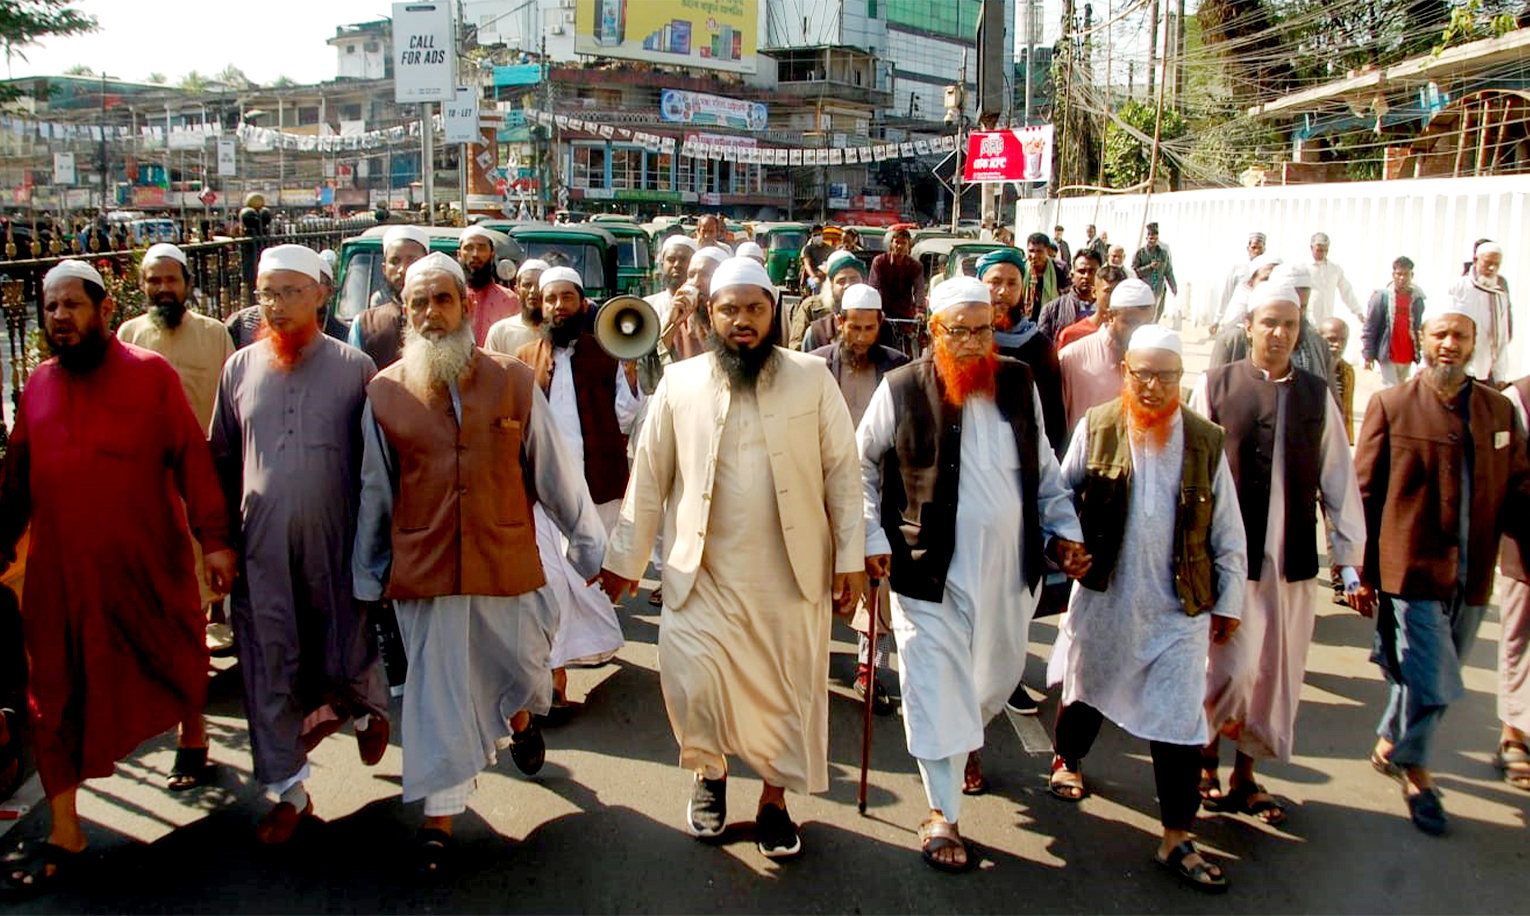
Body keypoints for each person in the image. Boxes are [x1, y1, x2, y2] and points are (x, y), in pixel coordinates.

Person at [598, 257, 866, 860]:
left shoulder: (811, 378)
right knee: (695, 683)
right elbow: (648, 479)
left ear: (773, 313)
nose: (742, 321)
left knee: (786, 693)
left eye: (754, 309)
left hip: (790, 574)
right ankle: (710, 775)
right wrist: (625, 560)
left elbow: (843, 476)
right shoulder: (680, 382)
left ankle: (774, 800)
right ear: (709, 314)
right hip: (703, 572)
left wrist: (851, 557)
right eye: (730, 310)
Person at [352, 252, 605, 875]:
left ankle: (519, 720)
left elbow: (553, 470)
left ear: (467, 307)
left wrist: (587, 542)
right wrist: (367, 573)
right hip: (426, 571)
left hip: (507, 561)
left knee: (516, 664)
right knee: (436, 698)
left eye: (443, 300)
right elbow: (375, 491)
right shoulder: (384, 393)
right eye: (419, 303)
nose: (432, 313)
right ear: (406, 313)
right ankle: (439, 819)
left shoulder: (514, 380)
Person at [0, 260, 235, 900]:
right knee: (53, 691)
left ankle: (193, 727)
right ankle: (66, 830)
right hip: (59, 573)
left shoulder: (148, 375)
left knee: (175, 656)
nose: (58, 318)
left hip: (145, 564)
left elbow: (191, 457)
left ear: (103, 311)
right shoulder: (39, 386)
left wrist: (215, 542)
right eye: (49, 308)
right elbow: (17, 478)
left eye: (71, 305)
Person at [859, 275, 1088, 872]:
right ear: (934, 331)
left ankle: (964, 742)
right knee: (934, 686)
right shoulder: (901, 388)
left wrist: (1065, 531)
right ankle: (942, 814)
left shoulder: (1018, 383)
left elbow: (1044, 469)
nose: (971, 343)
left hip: (1007, 576)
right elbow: (858, 465)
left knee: (992, 678)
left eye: (982, 330)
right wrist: (868, 538)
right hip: (924, 572)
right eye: (957, 331)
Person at [1048, 324, 1248, 894]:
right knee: (1087, 687)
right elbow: (1060, 496)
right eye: (1142, 374)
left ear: (1182, 380)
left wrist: (1227, 601)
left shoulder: (1206, 440)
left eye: (1165, 376)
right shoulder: (1100, 425)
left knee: (1180, 720)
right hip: (1108, 597)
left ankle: (1177, 834)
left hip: (1178, 611)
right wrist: (1064, 546)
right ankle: (1067, 758)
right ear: (1125, 374)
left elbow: (1228, 535)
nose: (1153, 387)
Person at [209, 244, 391, 844]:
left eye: (290, 292)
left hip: (337, 546)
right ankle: (289, 791)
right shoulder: (239, 368)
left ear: (320, 294)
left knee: (344, 641)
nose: (277, 305)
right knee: (269, 664)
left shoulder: (355, 366)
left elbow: (377, 467)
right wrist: (219, 545)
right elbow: (222, 460)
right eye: (267, 294)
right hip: (262, 554)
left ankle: (366, 710)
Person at [1191, 291, 1369, 829]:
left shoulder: (1317, 394)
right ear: (1249, 326)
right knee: (1228, 668)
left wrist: (1349, 559)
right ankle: (1203, 760)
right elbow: (1193, 468)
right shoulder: (1218, 385)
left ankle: (1246, 775)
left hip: (1290, 561)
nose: (1280, 334)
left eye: (1290, 325)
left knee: (1273, 675)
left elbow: (1338, 478)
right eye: (1270, 323)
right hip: (1229, 558)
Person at [1355, 295, 1530, 835]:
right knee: (1435, 677)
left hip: (1472, 575)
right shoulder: (1391, 404)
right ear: (1424, 340)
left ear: (1475, 344)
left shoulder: (1498, 411)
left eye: (1460, 336)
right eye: (1440, 336)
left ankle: (1389, 740)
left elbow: (1521, 487)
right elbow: (1364, 493)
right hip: (1410, 568)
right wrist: (1358, 572)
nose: (1450, 345)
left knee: (1424, 674)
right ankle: (1419, 773)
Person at [115, 243, 239, 781]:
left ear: (188, 283)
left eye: (171, 280)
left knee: (195, 601)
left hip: (203, 484)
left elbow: (231, 410)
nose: (162, 289)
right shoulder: (127, 337)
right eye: (152, 281)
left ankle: (194, 727)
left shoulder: (214, 334)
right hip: (148, 491)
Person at [514, 265, 639, 709]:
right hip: (543, 494)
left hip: (596, 486)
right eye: (551, 299)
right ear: (540, 305)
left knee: (590, 578)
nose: (559, 307)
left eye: (568, 298)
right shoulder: (524, 358)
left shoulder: (605, 353)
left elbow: (626, 417)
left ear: (583, 304)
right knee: (552, 583)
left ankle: (587, 646)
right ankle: (555, 676)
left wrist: (629, 375)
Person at [809, 284, 909, 714]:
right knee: (813, 575)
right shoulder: (813, 366)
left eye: (871, 328)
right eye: (855, 328)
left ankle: (869, 669)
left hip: (875, 487)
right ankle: (808, 664)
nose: (863, 336)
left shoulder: (898, 367)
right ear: (840, 323)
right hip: (818, 486)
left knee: (874, 580)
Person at [978, 248, 1066, 455]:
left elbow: (1053, 415)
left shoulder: (1038, 345)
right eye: (995, 282)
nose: (1003, 291)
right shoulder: (965, 341)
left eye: (1012, 283)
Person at [1059, 277, 1158, 435]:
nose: (1139, 331)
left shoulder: (1158, 363)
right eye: (1131, 323)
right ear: (1110, 316)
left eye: (1147, 324)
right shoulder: (1072, 358)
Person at [1211, 270, 1335, 390]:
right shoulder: (1232, 342)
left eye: (1302, 307)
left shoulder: (1317, 344)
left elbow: (1332, 401)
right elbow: (1217, 389)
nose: (1280, 333)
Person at [1495, 374, 1530, 794]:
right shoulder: (1518, 398)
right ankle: (1512, 733)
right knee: (1519, 637)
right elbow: (1507, 473)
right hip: (1526, 537)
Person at [349, 225, 430, 369]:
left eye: (412, 260)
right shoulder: (364, 325)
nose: (403, 270)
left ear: (427, 263)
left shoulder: (448, 316)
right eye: (395, 261)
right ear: (384, 269)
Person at [1447, 240, 1512, 382]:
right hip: (1457, 366)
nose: (1492, 269)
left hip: (1483, 369)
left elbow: (1502, 338)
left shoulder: (1498, 296)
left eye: (1496, 265)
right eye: (1488, 263)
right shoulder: (1458, 287)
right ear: (1476, 260)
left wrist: (1501, 376)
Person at [1362, 256, 1425, 388]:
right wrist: (1368, 355)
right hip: (1388, 353)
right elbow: (1370, 327)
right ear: (1393, 275)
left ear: (1412, 275)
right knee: (1391, 389)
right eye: (1399, 274)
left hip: (1407, 354)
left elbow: (1418, 328)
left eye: (1406, 274)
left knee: (1402, 392)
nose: (1402, 278)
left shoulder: (1417, 300)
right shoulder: (1381, 298)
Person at [457, 225, 519, 345]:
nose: (475, 254)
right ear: (459, 254)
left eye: (481, 248)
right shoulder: (450, 297)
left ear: (492, 254)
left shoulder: (509, 300)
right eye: (469, 248)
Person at [791, 249, 863, 350]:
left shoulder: (872, 309)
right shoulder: (810, 308)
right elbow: (796, 348)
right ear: (831, 284)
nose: (848, 285)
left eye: (854, 279)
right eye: (841, 281)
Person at [485, 258, 548, 357]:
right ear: (517, 290)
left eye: (539, 285)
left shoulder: (558, 332)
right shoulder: (500, 332)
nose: (533, 290)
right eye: (527, 285)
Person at [1055, 265, 1127, 351]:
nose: (1115, 296)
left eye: (1120, 291)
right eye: (1109, 291)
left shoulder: (1132, 335)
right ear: (1094, 292)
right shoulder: (1071, 335)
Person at [1036, 250, 1101, 344]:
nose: (1086, 276)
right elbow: (1043, 349)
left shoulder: (1110, 311)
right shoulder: (1052, 310)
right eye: (1081, 271)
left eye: (1092, 271)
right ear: (1072, 275)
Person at [868, 227, 925, 330]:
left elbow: (919, 289)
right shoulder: (880, 262)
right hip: (883, 312)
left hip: (905, 313)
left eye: (903, 243)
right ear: (891, 244)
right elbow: (873, 287)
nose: (900, 246)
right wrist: (875, 309)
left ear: (909, 246)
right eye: (897, 242)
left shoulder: (915, 266)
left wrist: (919, 311)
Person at [1306, 232, 1363, 330]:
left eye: (1325, 250)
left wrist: (1358, 311)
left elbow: (1346, 291)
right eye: (1319, 250)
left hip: (1326, 321)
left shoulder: (1334, 270)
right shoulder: (1304, 269)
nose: (1322, 253)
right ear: (1311, 248)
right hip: (1308, 321)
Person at [1211, 231, 1267, 330]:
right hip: (1238, 313)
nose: (1256, 251)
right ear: (1248, 248)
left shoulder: (1267, 269)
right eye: (1254, 247)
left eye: (1260, 248)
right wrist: (1217, 320)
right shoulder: (1239, 267)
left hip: (1258, 312)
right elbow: (1226, 292)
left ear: (1264, 250)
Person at [1320, 318, 1356, 445]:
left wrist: (1347, 440)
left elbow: (1346, 408)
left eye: (1343, 340)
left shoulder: (1346, 371)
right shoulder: (1311, 367)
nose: (1338, 345)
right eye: (1332, 339)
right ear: (1318, 338)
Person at [1132, 222, 1177, 318]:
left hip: (1158, 289)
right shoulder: (1140, 254)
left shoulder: (1163, 254)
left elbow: (1168, 271)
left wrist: (1173, 286)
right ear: (1147, 238)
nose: (1153, 241)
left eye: (1155, 239)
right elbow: (1134, 272)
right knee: (1144, 315)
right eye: (1151, 238)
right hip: (1143, 290)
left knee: (1155, 315)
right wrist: (1149, 267)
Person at [1021, 232, 1069, 322]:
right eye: (1031, 251)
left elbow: (1067, 297)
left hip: (1051, 320)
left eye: (1039, 251)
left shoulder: (1059, 269)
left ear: (1048, 251)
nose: (1034, 256)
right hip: (1024, 321)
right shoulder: (1021, 268)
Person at [800, 224, 831, 294]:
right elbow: (807, 265)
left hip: (826, 276)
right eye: (815, 235)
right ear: (811, 236)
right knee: (817, 285)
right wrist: (814, 276)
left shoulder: (828, 248)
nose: (817, 237)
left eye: (819, 234)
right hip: (812, 277)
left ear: (823, 235)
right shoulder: (807, 249)